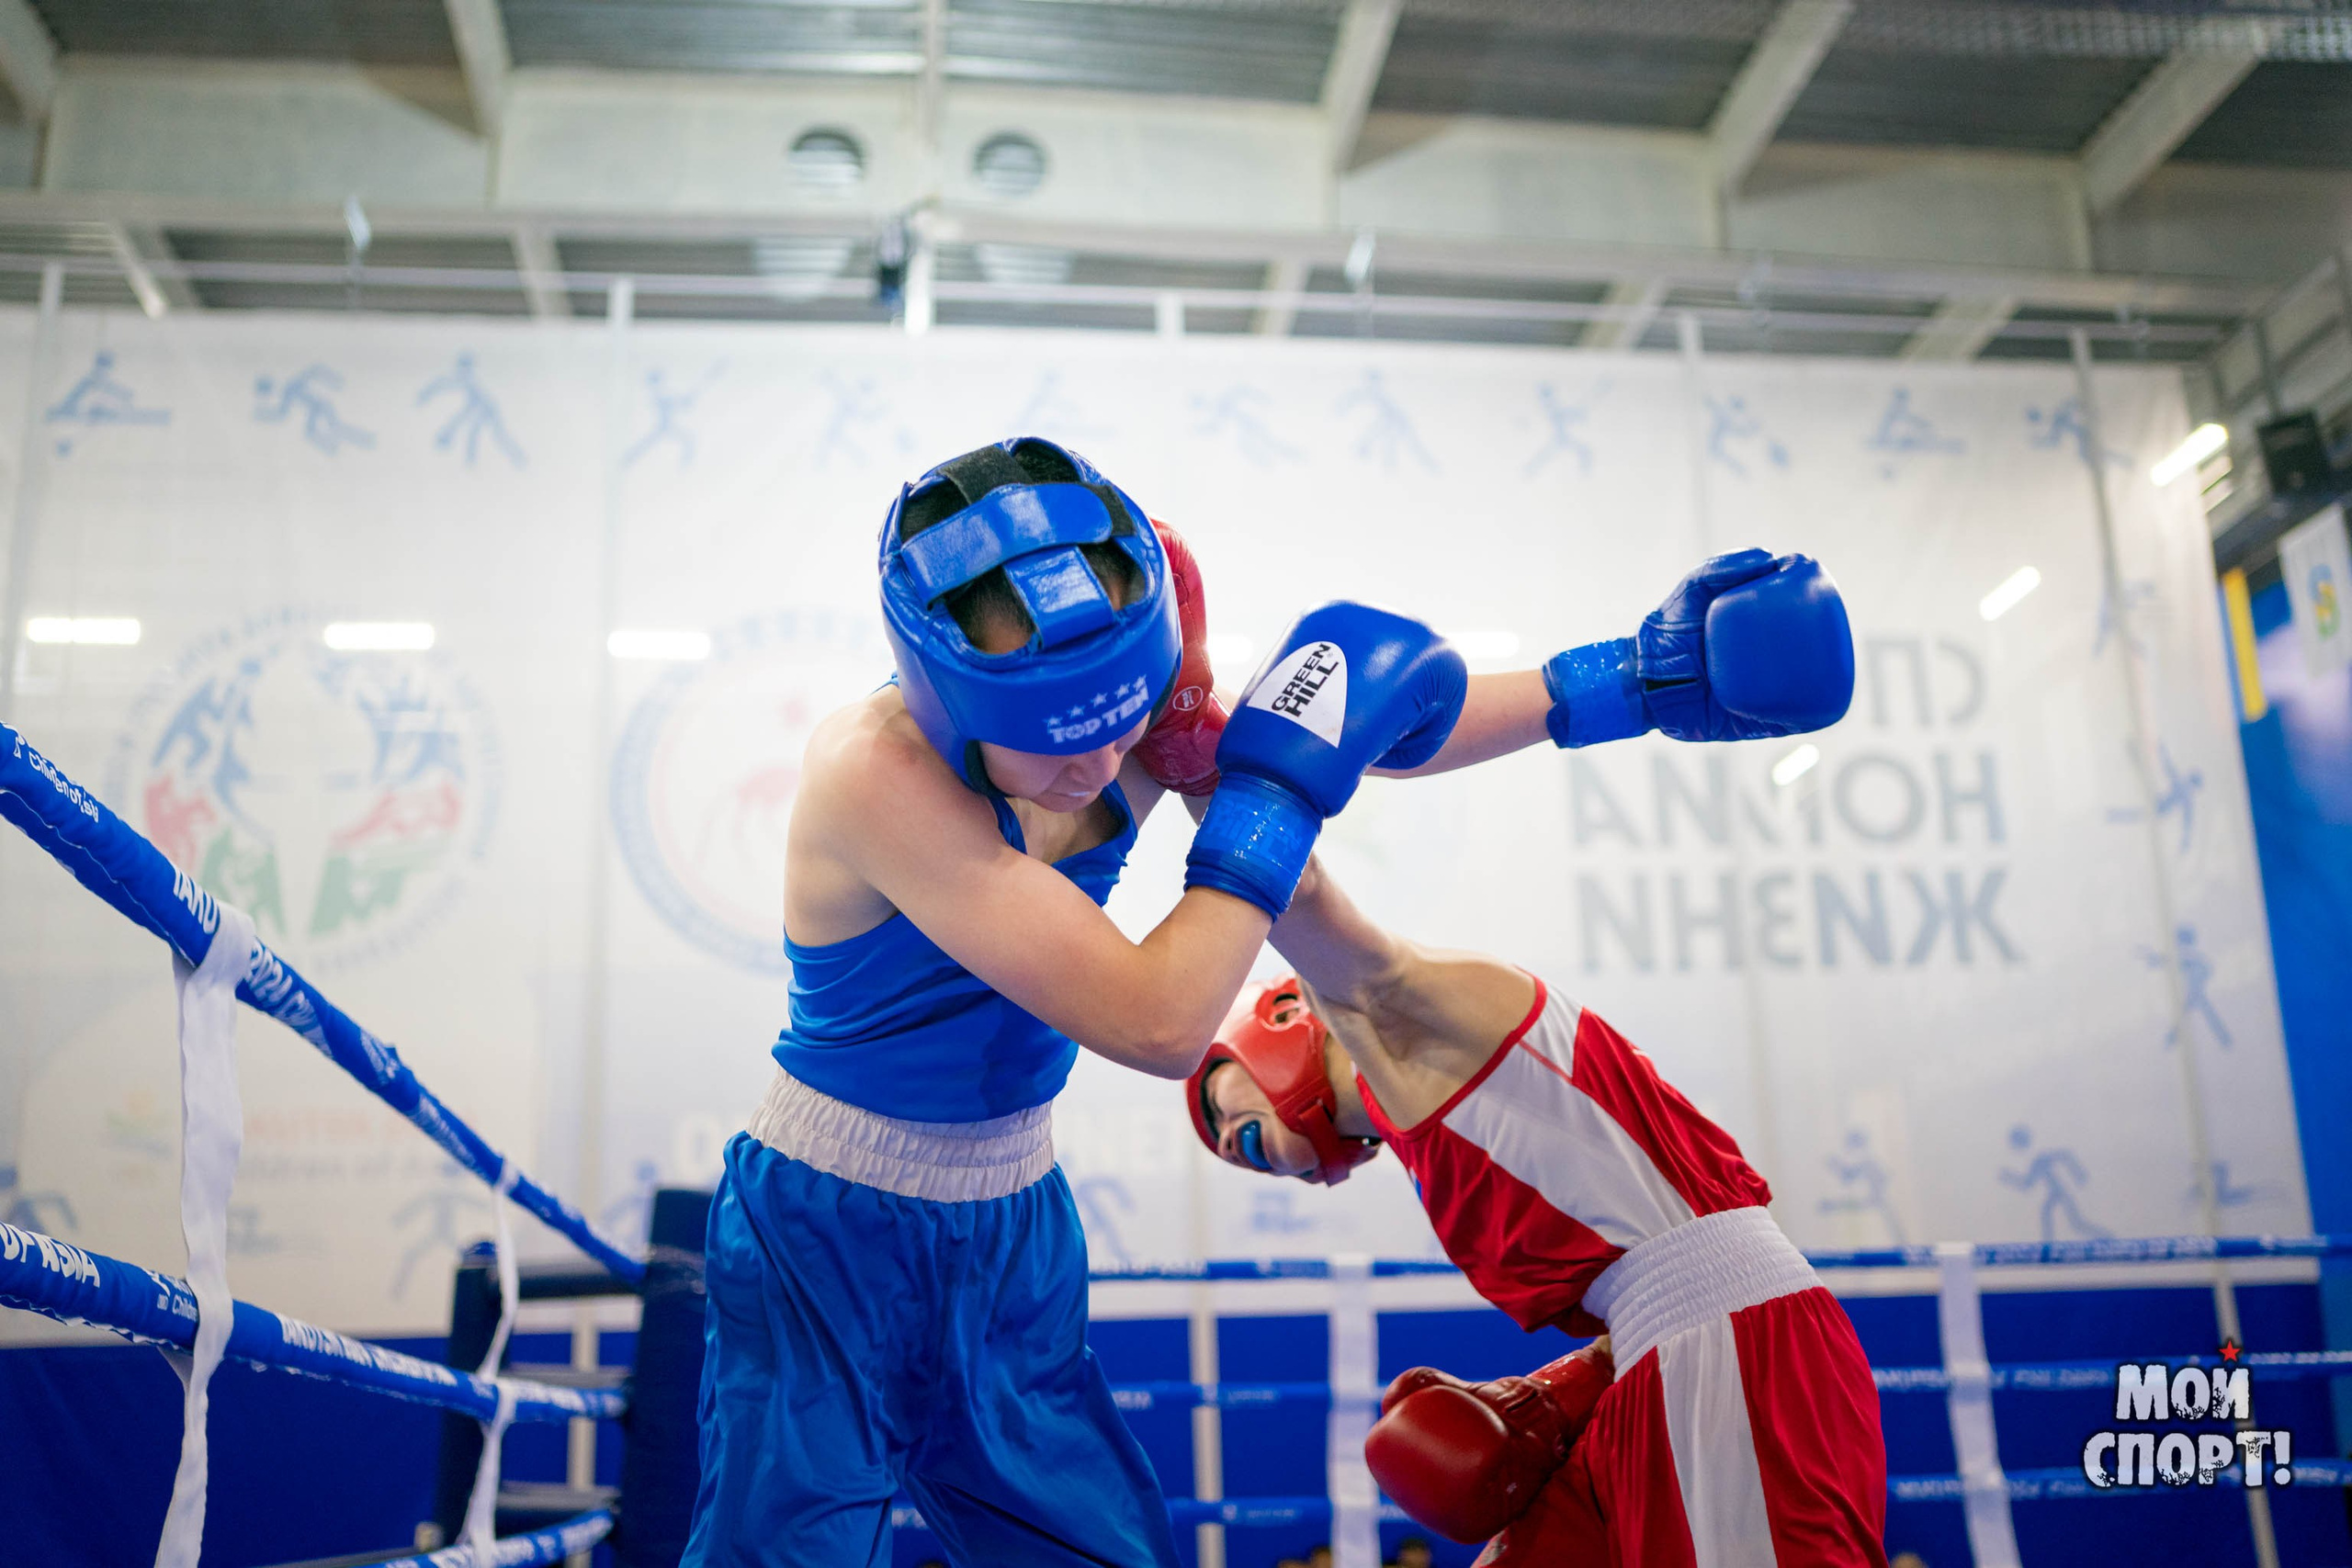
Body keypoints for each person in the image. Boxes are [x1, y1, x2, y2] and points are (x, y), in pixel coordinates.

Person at [687, 434, 1853, 1566]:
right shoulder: (871, 773)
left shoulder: (1116, 712)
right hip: (827, 1216)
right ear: (945, 701)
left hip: (1011, 1218)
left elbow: (1382, 719)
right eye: (1049, 748)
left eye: (1122, 723)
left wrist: (1630, 682)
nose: (1098, 770)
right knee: (784, 1545)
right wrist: (1272, 792)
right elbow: (1158, 1018)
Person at [1185, 840, 1884, 1558]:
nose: (1229, 1137)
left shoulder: (1410, 1023)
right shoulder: (1415, 1122)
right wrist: (1554, 1396)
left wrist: (1205, 759)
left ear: (1280, 1014)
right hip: (1659, 1356)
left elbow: (1304, 896)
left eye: (1222, 1099)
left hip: (1727, 1343)